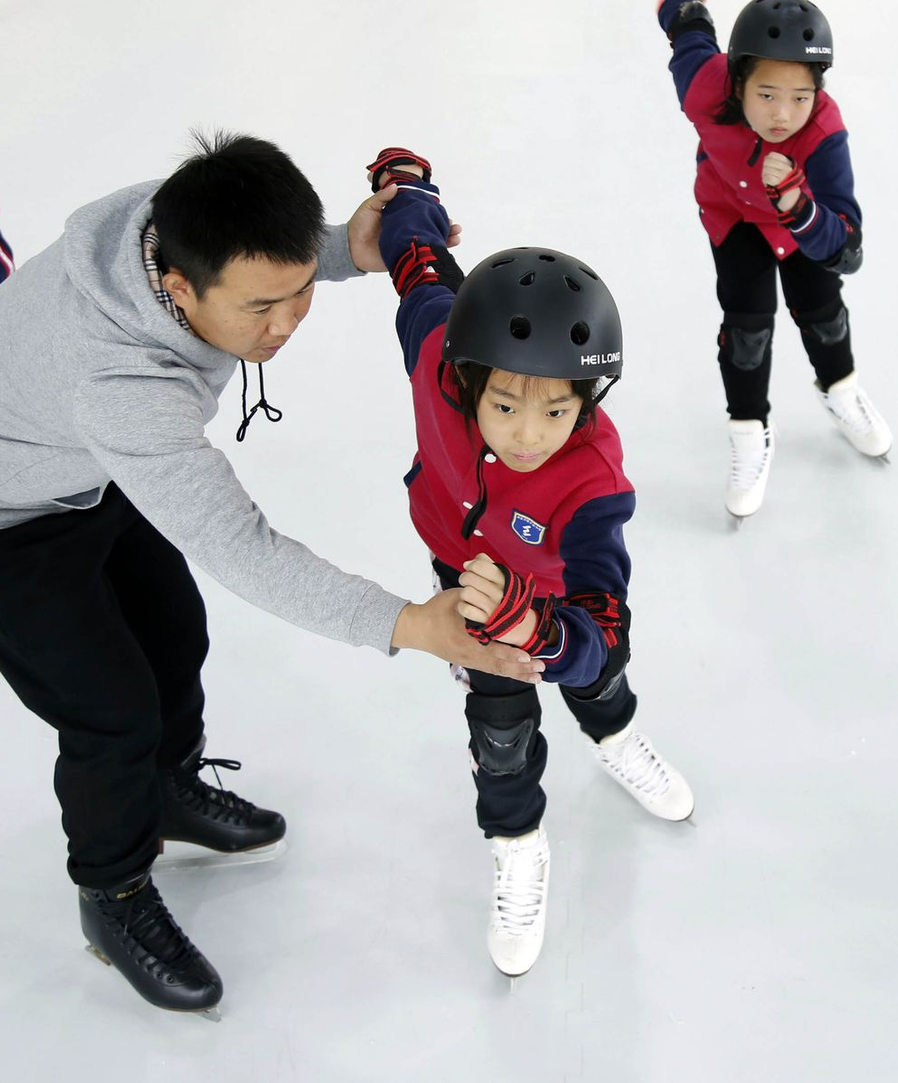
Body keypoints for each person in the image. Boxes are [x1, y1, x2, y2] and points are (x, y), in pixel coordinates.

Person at [0, 133, 543, 1017]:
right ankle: (114, 891)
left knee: (174, 632)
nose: (286, 323)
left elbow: (267, 255)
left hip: (82, 469)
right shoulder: (122, 387)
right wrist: (410, 622)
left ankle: (169, 789)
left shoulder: (170, 217)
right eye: (261, 307)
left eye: (299, 293)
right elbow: (241, 547)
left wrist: (344, 249)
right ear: (179, 289)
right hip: (11, 516)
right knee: (110, 708)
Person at [367, 146, 694, 977]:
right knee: (500, 725)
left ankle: (615, 734)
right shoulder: (435, 347)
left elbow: (604, 629)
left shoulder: (593, 484)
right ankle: (517, 844)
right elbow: (417, 261)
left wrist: (538, 626)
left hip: (552, 601)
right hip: (459, 564)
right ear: (467, 378)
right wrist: (407, 187)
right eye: (506, 403)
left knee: (597, 679)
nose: (526, 433)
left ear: (587, 401)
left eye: (557, 410)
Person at [657, 0, 892, 519]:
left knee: (823, 314)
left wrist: (799, 208)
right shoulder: (703, 85)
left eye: (800, 97)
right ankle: (749, 431)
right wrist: (682, 0)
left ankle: (841, 392)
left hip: (801, 224)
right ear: (737, 82)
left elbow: (848, 251)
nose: (782, 114)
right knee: (747, 332)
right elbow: (689, 33)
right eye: (766, 94)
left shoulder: (824, 135)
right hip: (732, 216)